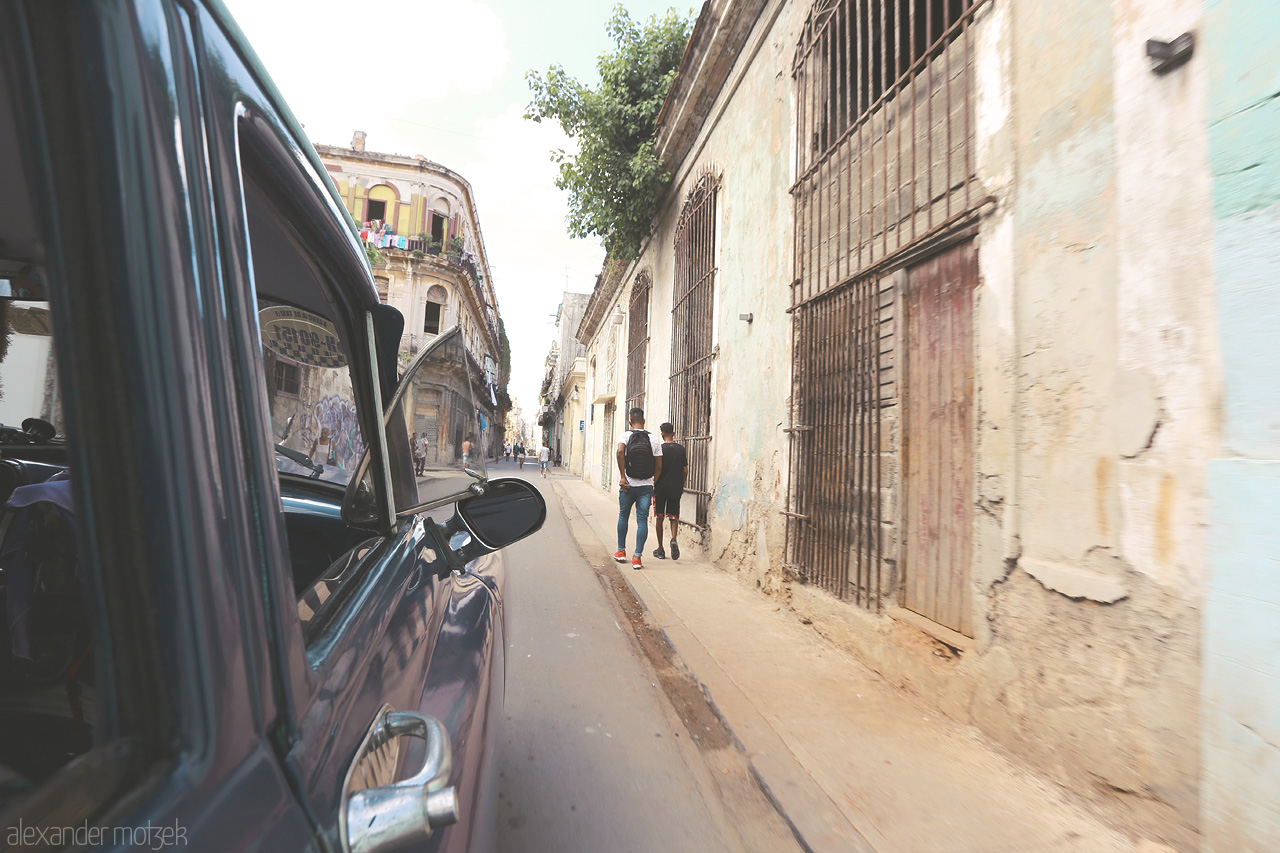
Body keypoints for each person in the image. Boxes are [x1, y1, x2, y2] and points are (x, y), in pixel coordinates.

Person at [614, 407, 663, 570]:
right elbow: (659, 465)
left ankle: (621, 552)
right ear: (644, 421)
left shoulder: (625, 436)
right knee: (642, 520)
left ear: (630, 421)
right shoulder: (653, 439)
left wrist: (622, 476)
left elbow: (620, 451)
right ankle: (637, 558)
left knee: (623, 516)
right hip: (646, 486)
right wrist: (652, 481)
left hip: (628, 485)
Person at [651, 422, 688, 560]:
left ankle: (660, 549)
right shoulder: (681, 449)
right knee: (673, 516)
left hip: (660, 488)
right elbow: (685, 470)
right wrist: (681, 485)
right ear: (673, 433)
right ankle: (673, 538)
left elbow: (656, 469)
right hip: (675, 488)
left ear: (662, 434)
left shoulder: (659, 449)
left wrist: (653, 484)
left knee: (659, 518)